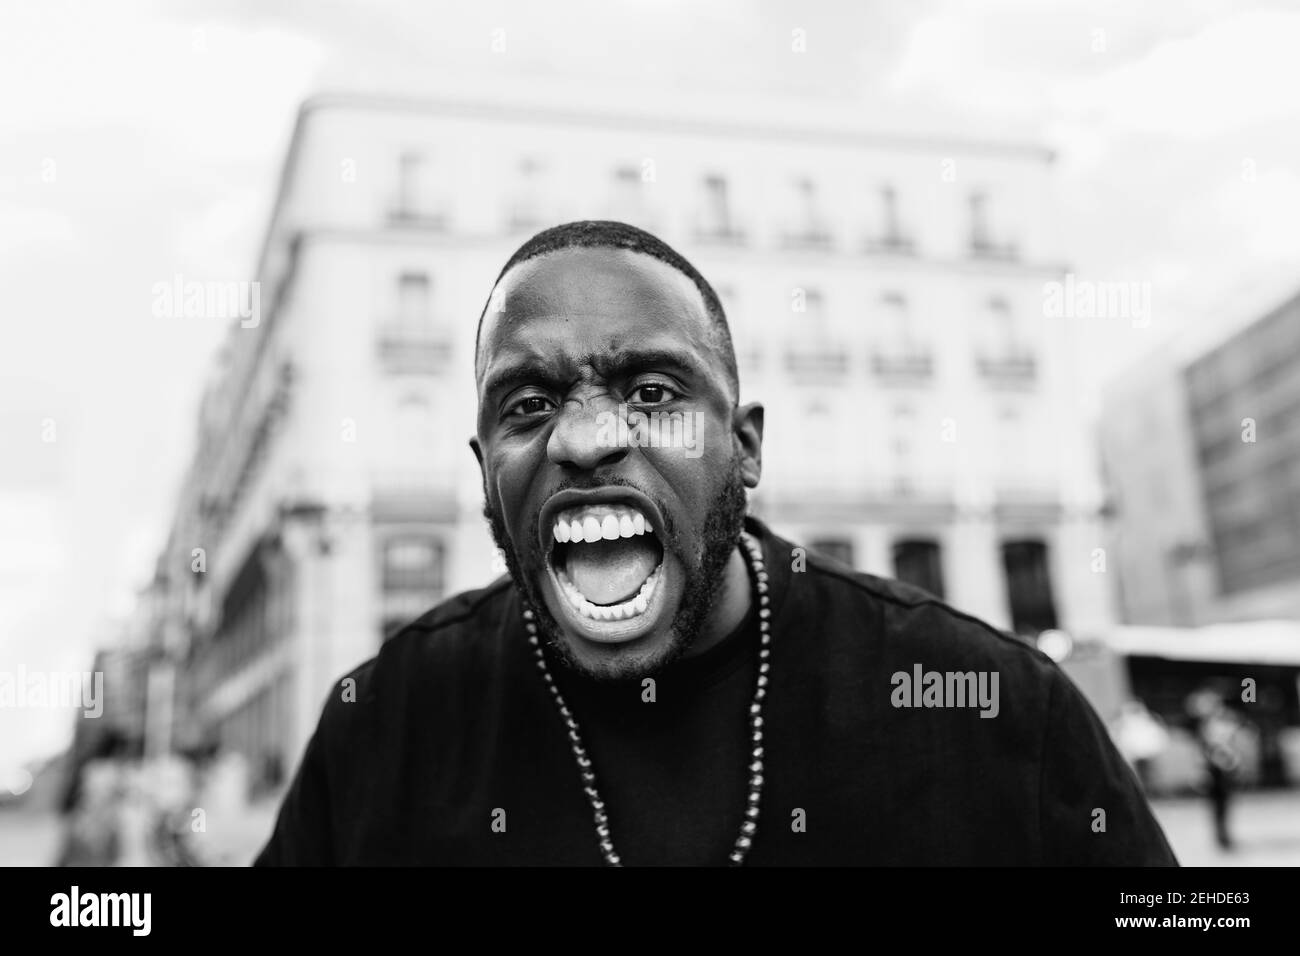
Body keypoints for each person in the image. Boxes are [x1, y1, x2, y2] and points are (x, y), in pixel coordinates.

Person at [255, 220, 1177, 866]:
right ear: (484, 466)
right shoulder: (387, 723)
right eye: (528, 406)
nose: (582, 439)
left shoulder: (997, 710)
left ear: (744, 448)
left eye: (653, 393)